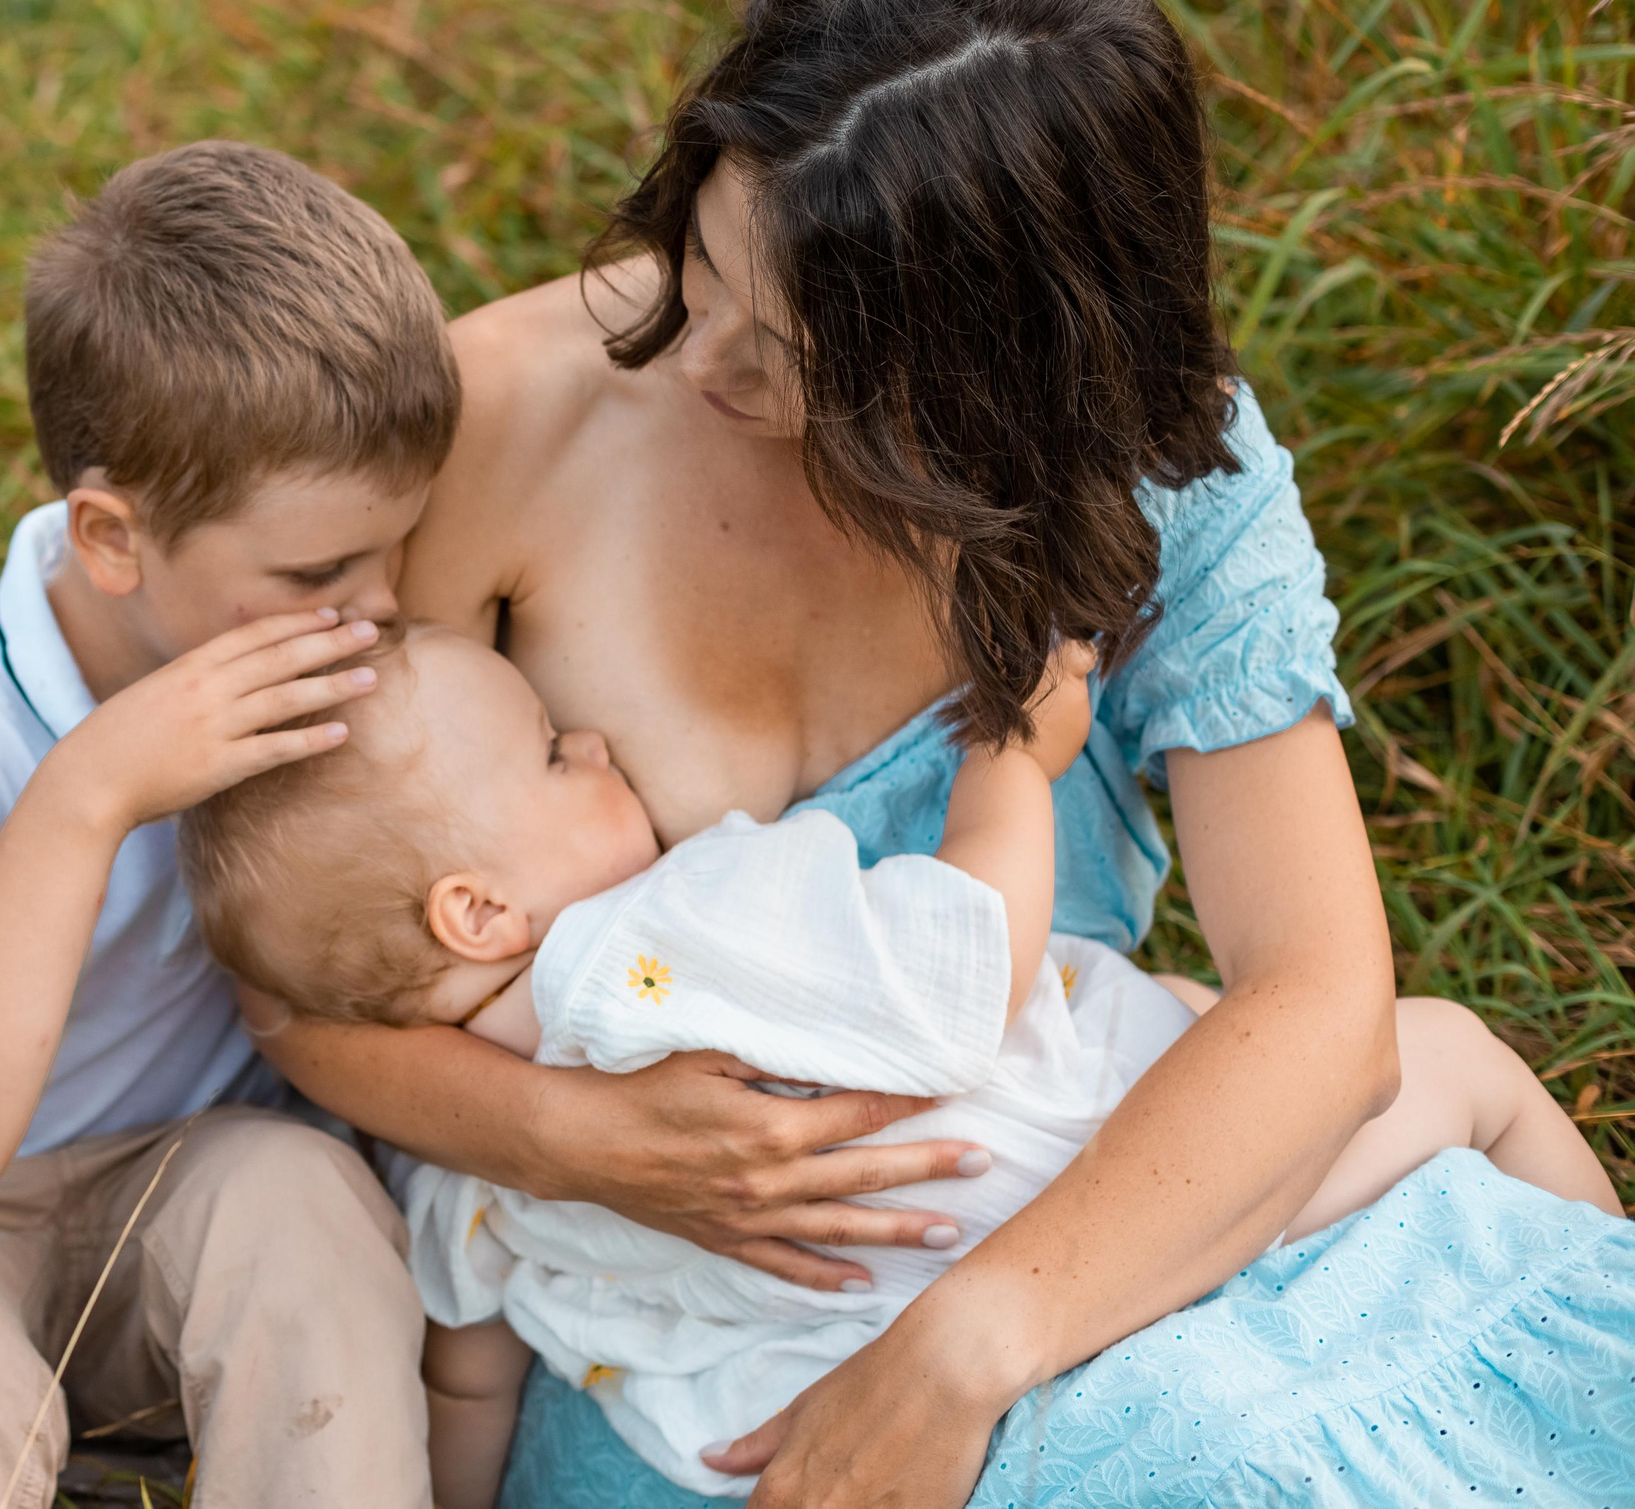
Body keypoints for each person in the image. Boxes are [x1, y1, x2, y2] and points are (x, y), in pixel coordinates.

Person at [239, 0, 1625, 1507]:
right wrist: (567, 1141)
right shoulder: (503, 424)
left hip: (1083, 1197)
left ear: (998, 374)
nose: (697, 360)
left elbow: (1316, 996)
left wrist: (981, 1335)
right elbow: (300, 956)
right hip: (717, 1348)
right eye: (700, 267)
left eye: (795, 353)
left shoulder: (1159, 472)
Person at [181, 625, 1623, 1507]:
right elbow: (962, 977)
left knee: (1171, 1000)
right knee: (1448, 1054)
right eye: (559, 758)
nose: (597, 740)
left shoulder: (457, 1172)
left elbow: (472, 1374)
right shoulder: (672, 932)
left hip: (790, 1397)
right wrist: (1015, 758)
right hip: (1068, 1217)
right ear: (478, 911)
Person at [0, 140, 458, 1508]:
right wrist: (90, 791)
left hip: (183, 1194)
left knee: (307, 1208)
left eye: (396, 548)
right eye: (319, 570)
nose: (376, 606)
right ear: (112, 539)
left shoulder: (342, 673)